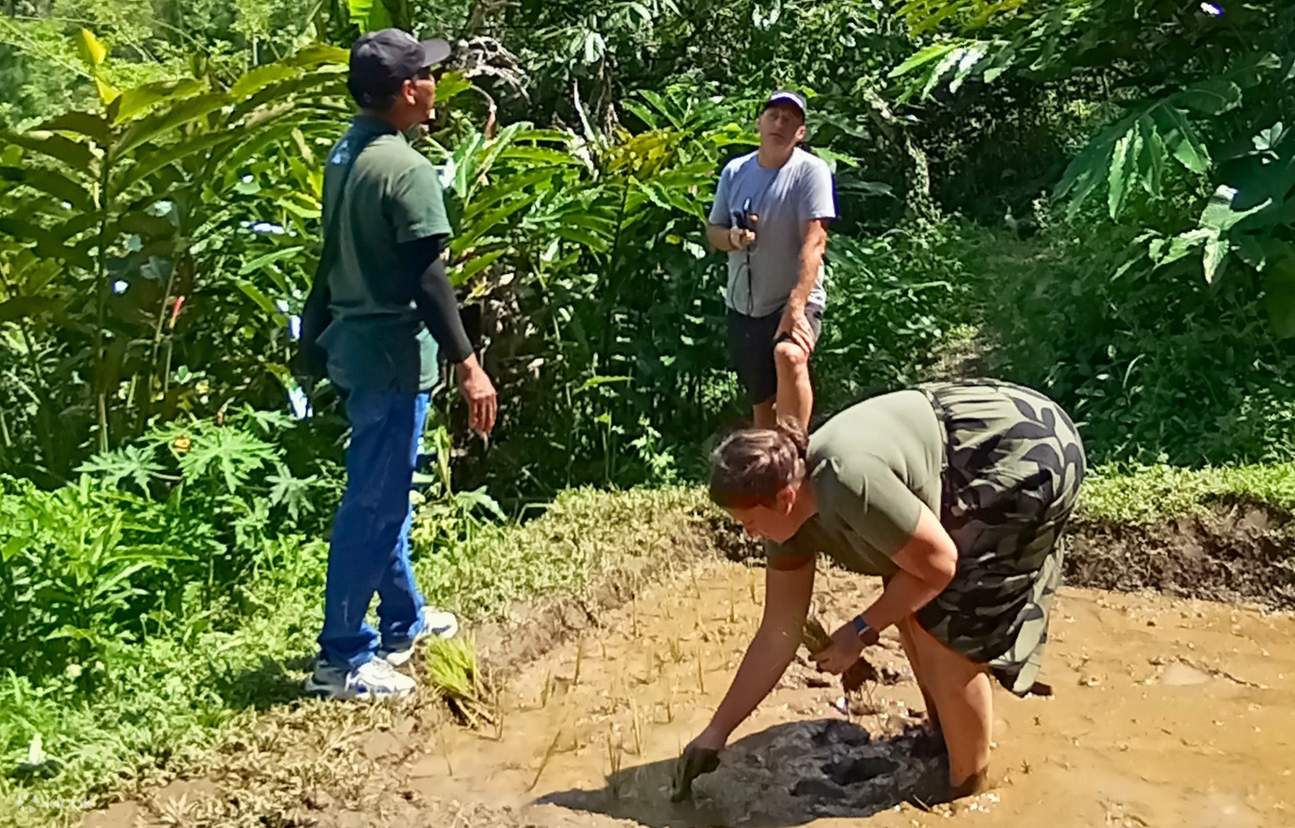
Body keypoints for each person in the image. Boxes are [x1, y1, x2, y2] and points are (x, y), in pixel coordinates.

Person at [679, 379, 1086, 800]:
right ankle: (943, 742)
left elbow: (939, 566)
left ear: (783, 497)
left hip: (1020, 447)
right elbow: (777, 631)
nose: (749, 536)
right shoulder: (787, 515)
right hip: (969, 447)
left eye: (749, 524)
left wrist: (858, 631)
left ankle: (966, 790)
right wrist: (716, 732)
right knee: (911, 602)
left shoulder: (847, 480)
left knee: (945, 632)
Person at [297, 28, 498, 700]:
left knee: (383, 493)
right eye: (429, 75)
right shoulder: (405, 169)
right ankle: (342, 656)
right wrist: (469, 364)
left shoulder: (345, 153)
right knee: (374, 504)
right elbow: (428, 277)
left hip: (353, 342)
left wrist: (310, 333)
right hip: (388, 354)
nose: (437, 83)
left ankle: (402, 619)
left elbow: (329, 254)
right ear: (409, 90)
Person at [706, 90, 836, 430]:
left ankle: (795, 449)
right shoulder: (735, 172)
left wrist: (796, 307)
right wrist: (734, 238)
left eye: (789, 119)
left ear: (801, 133)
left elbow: (815, 241)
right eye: (773, 116)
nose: (779, 123)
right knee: (761, 400)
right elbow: (713, 232)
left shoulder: (811, 172)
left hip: (792, 297)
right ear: (759, 123)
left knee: (789, 356)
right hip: (744, 304)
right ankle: (770, 473)